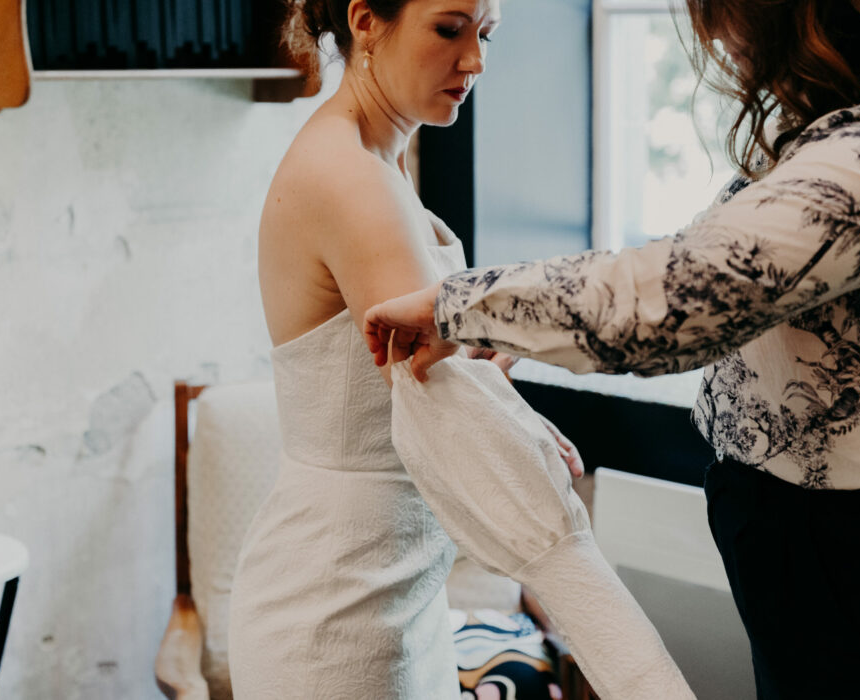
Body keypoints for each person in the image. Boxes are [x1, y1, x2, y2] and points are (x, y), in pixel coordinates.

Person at [364, 1, 860, 698]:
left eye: (723, 13)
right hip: (844, 549)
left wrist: (462, 307)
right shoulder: (857, 121)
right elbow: (705, 263)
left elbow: (682, 300)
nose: (718, 39)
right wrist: (519, 328)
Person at [227, 1, 695, 697]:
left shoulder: (380, 159)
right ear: (365, 21)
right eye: (450, 29)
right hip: (337, 603)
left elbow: (424, 376)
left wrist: (507, 400)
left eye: (487, 35)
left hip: (400, 585)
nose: (475, 61)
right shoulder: (348, 176)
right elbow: (453, 418)